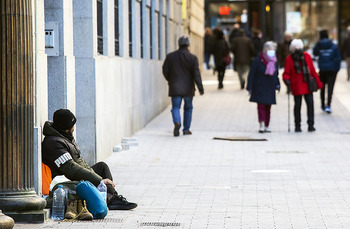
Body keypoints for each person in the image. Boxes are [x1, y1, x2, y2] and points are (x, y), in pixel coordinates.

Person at [42, 109, 137, 210]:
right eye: (72, 126)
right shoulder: (53, 144)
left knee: (102, 167)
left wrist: (93, 174)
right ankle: (110, 200)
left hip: (77, 175)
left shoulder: (64, 137)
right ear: (66, 129)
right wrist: (99, 180)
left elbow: (80, 161)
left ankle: (111, 198)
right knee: (103, 181)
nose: (74, 128)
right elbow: (71, 169)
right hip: (67, 181)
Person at [162, 35, 204, 136]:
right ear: (188, 45)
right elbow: (196, 74)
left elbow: (165, 70)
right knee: (188, 108)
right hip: (188, 88)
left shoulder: (170, 56)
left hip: (175, 87)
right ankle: (186, 129)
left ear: (179, 44)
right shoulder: (193, 58)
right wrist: (200, 88)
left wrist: (170, 80)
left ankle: (177, 122)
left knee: (175, 107)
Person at [283, 39, 323, 132]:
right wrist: (286, 80)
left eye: (298, 47)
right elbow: (286, 72)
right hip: (296, 85)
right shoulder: (289, 59)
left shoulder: (307, 56)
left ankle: (311, 124)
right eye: (295, 48)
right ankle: (297, 125)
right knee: (298, 105)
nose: (297, 50)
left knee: (310, 104)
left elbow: (312, 70)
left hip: (307, 85)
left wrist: (319, 83)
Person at [247, 41, 280, 133]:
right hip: (260, 86)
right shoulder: (258, 60)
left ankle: (266, 125)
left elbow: (276, 74)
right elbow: (252, 74)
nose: (272, 51)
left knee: (268, 107)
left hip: (270, 86)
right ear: (265, 50)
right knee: (261, 106)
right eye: (270, 49)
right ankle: (261, 124)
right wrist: (249, 86)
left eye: (273, 50)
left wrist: (278, 84)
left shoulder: (274, 61)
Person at [313, 30, 341, 114]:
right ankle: (328, 105)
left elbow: (315, 53)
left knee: (322, 86)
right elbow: (338, 57)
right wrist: (337, 68)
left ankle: (322, 104)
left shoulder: (318, 44)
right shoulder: (333, 45)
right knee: (330, 88)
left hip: (322, 69)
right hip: (332, 69)